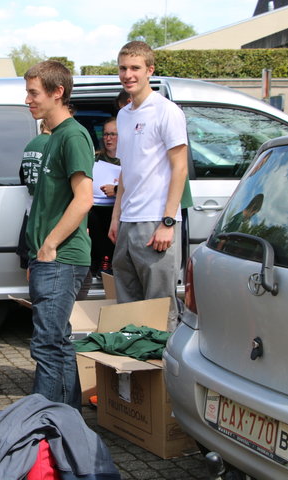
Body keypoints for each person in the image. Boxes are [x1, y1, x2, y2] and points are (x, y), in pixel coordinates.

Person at [24, 61, 94, 410]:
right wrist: (36, 252)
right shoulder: (52, 139)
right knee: (56, 342)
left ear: (57, 92)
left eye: (34, 93)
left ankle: (46, 421)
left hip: (62, 257)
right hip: (47, 258)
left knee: (48, 343)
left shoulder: (73, 136)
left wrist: (50, 245)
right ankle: (65, 423)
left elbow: (84, 199)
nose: (28, 100)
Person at [108, 41, 188, 332]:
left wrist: (167, 221)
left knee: (159, 308)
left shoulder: (166, 111)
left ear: (149, 70)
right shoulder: (124, 115)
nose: (128, 74)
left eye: (135, 68)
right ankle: (135, 371)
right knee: (128, 305)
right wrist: (117, 218)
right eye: (123, 68)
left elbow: (180, 167)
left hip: (155, 221)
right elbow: (125, 172)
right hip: (129, 222)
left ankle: (162, 374)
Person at [16, 120, 51, 269]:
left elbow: (22, 175)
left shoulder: (31, 144)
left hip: (32, 211)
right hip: (47, 213)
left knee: (34, 264)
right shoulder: (52, 144)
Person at [89, 118, 121, 275]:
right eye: (106, 134)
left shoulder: (128, 159)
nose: (108, 138)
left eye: (113, 134)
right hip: (95, 204)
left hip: (118, 206)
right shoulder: (95, 158)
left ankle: (107, 260)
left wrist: (116, 189)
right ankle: (97, 260)